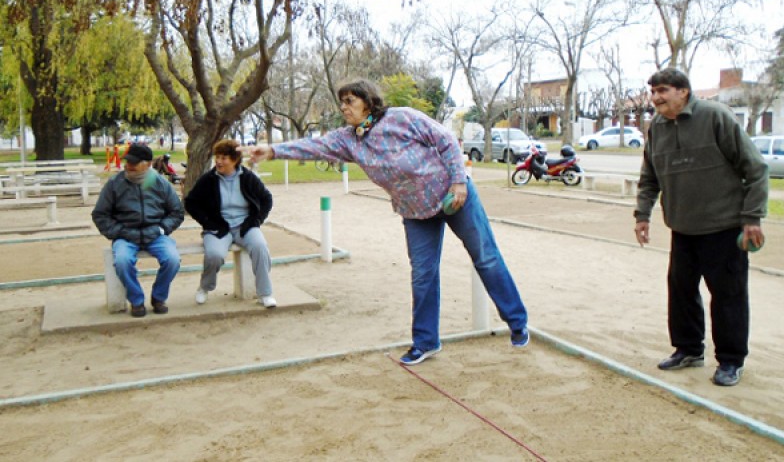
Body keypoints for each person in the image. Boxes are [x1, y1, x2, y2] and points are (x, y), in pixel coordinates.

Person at [241, 79, 529, 365]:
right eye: (341, 103)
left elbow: (446, 141)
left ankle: (517, 323)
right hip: (415, 212)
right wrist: (273, 151)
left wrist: (458, 182)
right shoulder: (348, 140)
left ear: (368, 102)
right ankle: (426, 342)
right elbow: (313, 146)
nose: (344, 108)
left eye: (350, 101)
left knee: (485, 257)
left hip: (453, 196)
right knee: (422, 274)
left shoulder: (402, 118)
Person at [633, 68, 768, 387]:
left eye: (662, 90)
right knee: (681, 292)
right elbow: (649, 177)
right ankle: (689, 350)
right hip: (682, 229)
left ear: (683, 91)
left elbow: (756, 169)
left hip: (724, 228)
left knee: (728, 296)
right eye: (653, 92)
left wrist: (752, 218)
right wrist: (642, 215)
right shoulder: (657, 128)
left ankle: (731, 360)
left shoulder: (715, 117)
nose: (656, 98)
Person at [92, 144, 184, 317]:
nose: (129, 165)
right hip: (125, 234)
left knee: (172, 260)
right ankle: (136, 300)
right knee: (122, 261)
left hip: (155, 234)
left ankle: (159, 297)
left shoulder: (161, 183)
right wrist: (119, 231)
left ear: (148, 164)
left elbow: (176, 212)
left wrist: (162, 229)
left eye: (134, 162)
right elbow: (100, 214)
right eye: (128, 161)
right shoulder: (115, 183)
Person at [184, 139, 276, 308]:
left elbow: (267, 199)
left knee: (260, 247)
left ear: (235, 160)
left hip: (245, 226)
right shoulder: (208, 179)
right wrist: (207, 222)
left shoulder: (248, 177)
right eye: (217, 157)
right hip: (218, 227)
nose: (219, 161)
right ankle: (204, 287)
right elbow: (191, 202)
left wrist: (256, 220)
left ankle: (265, 293)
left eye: (224, 158)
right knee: (214, 255)